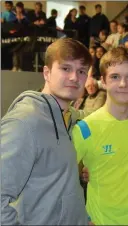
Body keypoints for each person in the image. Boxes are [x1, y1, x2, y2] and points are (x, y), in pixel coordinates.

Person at [1, 38, 92, 225]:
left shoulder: (69, 117)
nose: (75, 77)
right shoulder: (24, 122)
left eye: (81, 71)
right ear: (47, 73)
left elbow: (106, 114)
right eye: (66, 68)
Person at [72, 47, 128, 225]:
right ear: (103, 80)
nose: (123, 84)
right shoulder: (85, 128)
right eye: (115, 77)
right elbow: (62, 181)